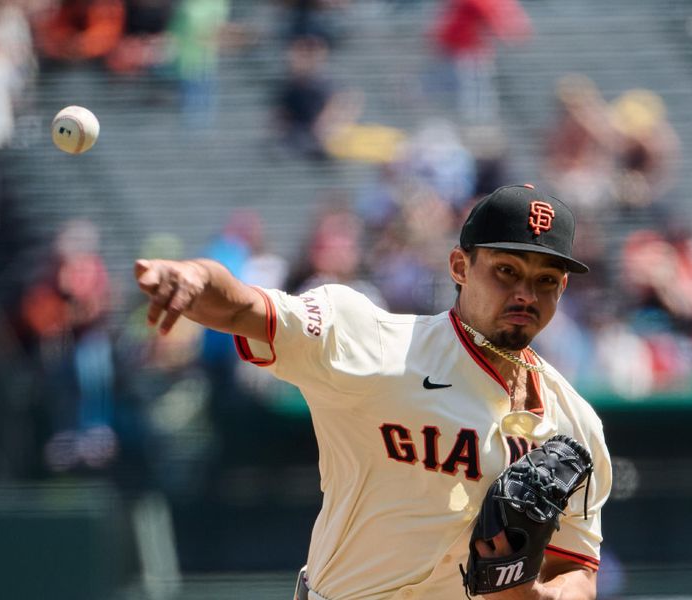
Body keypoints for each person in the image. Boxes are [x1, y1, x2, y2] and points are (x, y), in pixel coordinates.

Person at [133, 184, 612, 599]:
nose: (526, 293)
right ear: (460, 266)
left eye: (545, 280)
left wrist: (528, 595)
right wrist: (197, 276)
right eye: (506, 270)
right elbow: (243, 309)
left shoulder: (576, 424)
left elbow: (576, 569)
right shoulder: (373, 340)